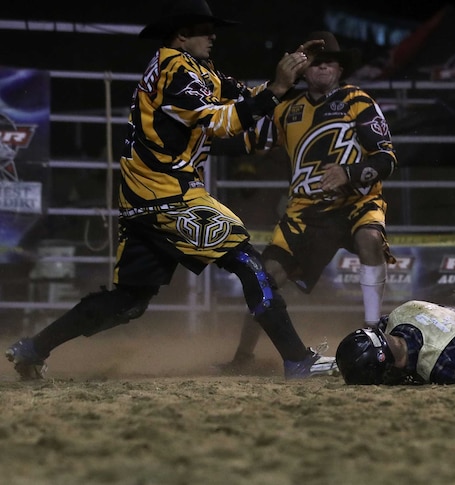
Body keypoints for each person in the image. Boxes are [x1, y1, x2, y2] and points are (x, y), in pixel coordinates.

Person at [5, 0, 337, 380]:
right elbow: (222, 121)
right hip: (169, 193)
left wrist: (288, 71)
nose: (212, 36)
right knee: (247, 261)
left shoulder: (193, 69)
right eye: (204, 30)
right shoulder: (175, 71)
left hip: (143, 197)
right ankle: (297, 359)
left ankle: (33, 348)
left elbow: (242, 97)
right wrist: (278, 86)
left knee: (128, 300)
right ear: (182, 35)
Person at [216, 31, 398, 373]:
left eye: (330, 62)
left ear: (341, 69)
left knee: (370, 239)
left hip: (357, 202)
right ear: (303, 69)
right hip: (305, 211)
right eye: (316, 62)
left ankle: (375, 333)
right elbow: (244, 140)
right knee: (264, 276)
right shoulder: (286, 110)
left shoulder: (359, 102)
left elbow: (386, 158)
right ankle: (242, 357)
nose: (323, 67)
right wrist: (198, 138)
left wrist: (351, 172)